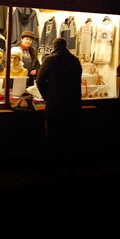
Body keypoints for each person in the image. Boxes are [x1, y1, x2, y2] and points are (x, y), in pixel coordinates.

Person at [35, 37, 83, 178]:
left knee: (51, 140)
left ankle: (50, 170)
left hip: (56, 105)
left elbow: (40, 80)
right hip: (73, 105)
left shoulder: (50, 60)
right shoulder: (75, 60)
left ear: (54, 47)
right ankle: (70, 170)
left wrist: (47, 96)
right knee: (71, 140)